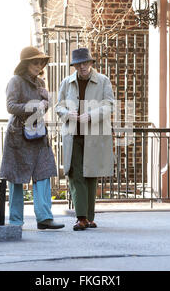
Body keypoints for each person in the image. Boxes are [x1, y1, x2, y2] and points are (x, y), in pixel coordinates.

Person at [0, 46, 64, 230]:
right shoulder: (15, 81)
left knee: (43, 173)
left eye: (41, 62)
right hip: (18, 136)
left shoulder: (41, 84)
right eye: (35, 62)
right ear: (26, 64)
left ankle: (44, 218)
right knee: (16, 178)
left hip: (38, 135)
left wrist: (46, 102)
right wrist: (37, 105)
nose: (39, 65)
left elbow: (43, 108)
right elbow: (11, 106)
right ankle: (15, 221)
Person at [55, 48, 115, 231]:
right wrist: (67, 113)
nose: (82, 67)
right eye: (78, 64)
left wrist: (90, 115)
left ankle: (89, 218)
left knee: (91, 175)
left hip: (94, 135)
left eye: (85, 63)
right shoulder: (67, 82)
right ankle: (81, 217)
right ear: (74, 66)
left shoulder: (103, 81)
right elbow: (59, 107)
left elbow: (110, 104)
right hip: (73, 136)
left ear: (90, 63)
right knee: (75, 175)